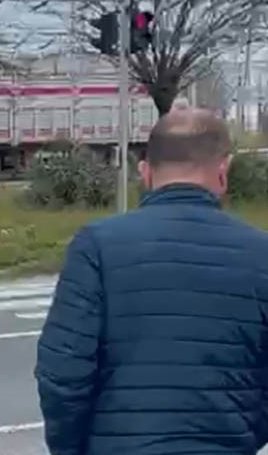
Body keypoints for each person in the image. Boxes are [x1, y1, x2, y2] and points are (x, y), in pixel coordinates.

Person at [35, 107, 268, 455]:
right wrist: (244, 435)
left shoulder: (97, 246)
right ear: (224, 170)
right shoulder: (261, 253)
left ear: (145, 173)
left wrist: (70, 448)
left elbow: (63, 372)